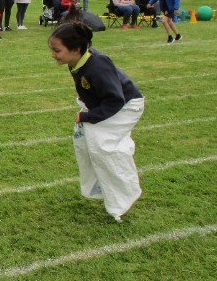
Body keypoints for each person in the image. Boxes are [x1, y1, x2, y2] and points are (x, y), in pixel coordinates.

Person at [47, 21, 144, 222]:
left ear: (75, 49)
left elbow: (115, 99)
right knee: (85, 142)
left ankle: (123, 195)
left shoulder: (98, 64)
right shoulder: (76, 61)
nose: (53, 55)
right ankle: (100, 185)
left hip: (126, 107)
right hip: (108, 105)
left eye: (57, 50)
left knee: (103, 147)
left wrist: (88, 116)